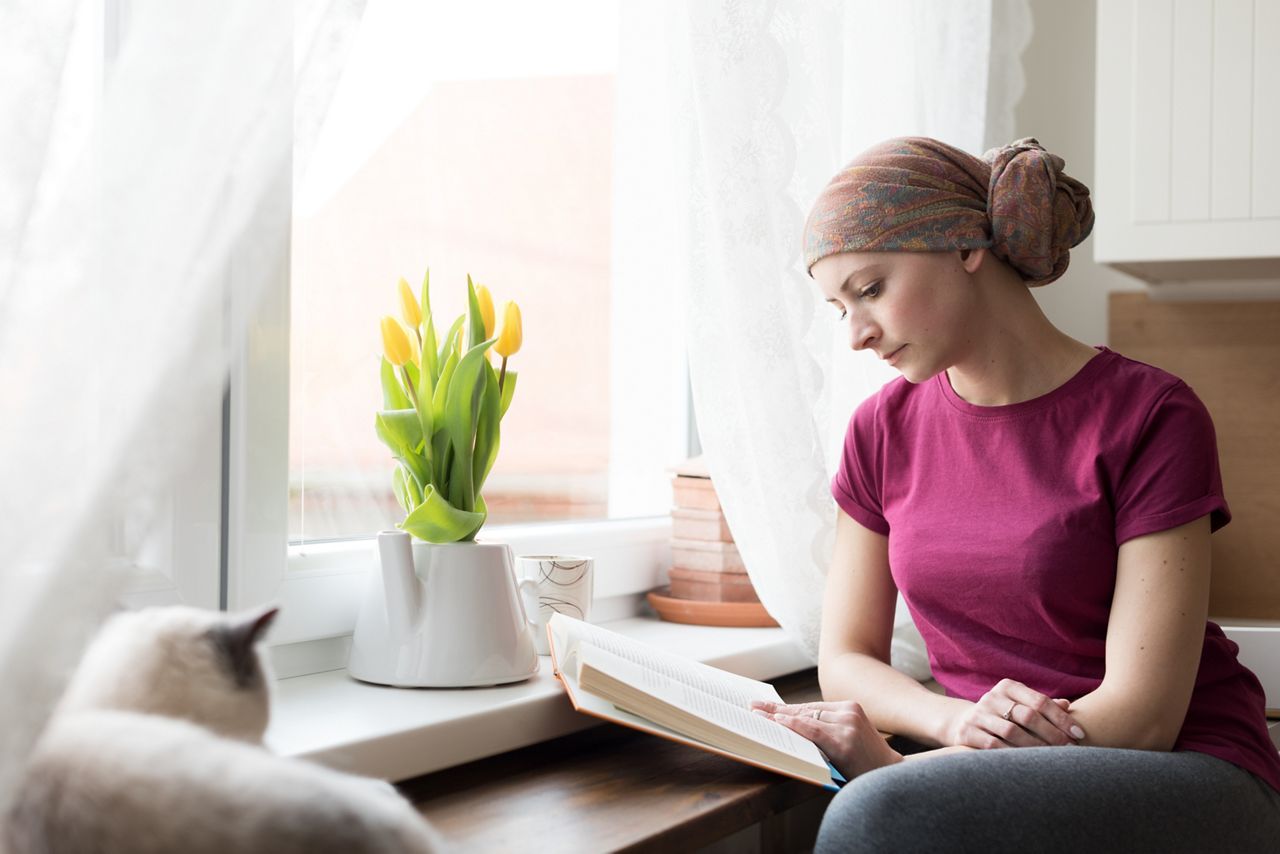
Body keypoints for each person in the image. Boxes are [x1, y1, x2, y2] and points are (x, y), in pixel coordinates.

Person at [749, 137, 1280, 852]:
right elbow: (845, 658)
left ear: (966, 245)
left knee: (879, 813)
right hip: (988, 764)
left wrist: (905, 769)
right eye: (839, 308)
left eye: (871, 289)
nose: (857, 335)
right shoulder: (882, 430)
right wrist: (948, 725)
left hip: (1186, 769)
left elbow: (1143, 717)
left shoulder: (1152, 414)